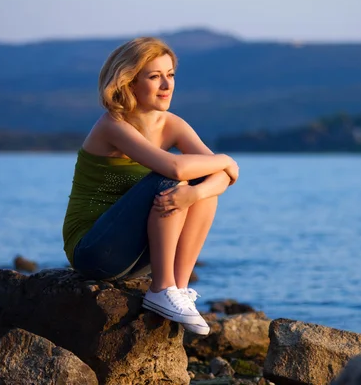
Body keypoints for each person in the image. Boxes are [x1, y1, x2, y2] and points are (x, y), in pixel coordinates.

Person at [62, 37, 239, 335]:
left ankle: (177, 290)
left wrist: (196, 192)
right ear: (129, 83)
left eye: (170, 75)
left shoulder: (172, 124)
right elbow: (175, 168)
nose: (166, 85)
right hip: (94, 250)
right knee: (170, 181)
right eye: (155, 77)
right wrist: (226, 160)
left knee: (200, 188)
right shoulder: (112, 125)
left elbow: (220, 178)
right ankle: (161, 289)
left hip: (137, 254)